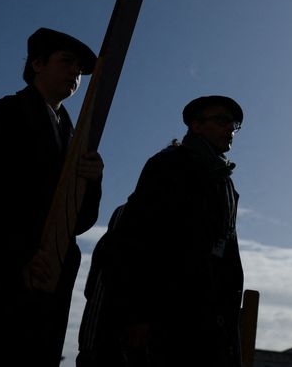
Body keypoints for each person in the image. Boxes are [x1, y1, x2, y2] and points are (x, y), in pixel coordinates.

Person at [0, 28, 103, 367]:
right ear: (37, 64)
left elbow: (80, 220)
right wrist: (18, 254)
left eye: (81, 70)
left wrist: (92, 180)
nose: (75, 73)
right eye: (67, 61)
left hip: (48, 282)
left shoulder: (75, 138)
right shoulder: (1, 116)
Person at [83, 96, 244, 367]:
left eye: (234, 124)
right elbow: (139, 239)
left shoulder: (224, 183)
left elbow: (224, 252)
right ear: (196, 125)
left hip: (205, 316)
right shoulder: (171, 166)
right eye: (221, 120)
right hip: (166, 315)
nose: (230, 128)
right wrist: (139, 314)